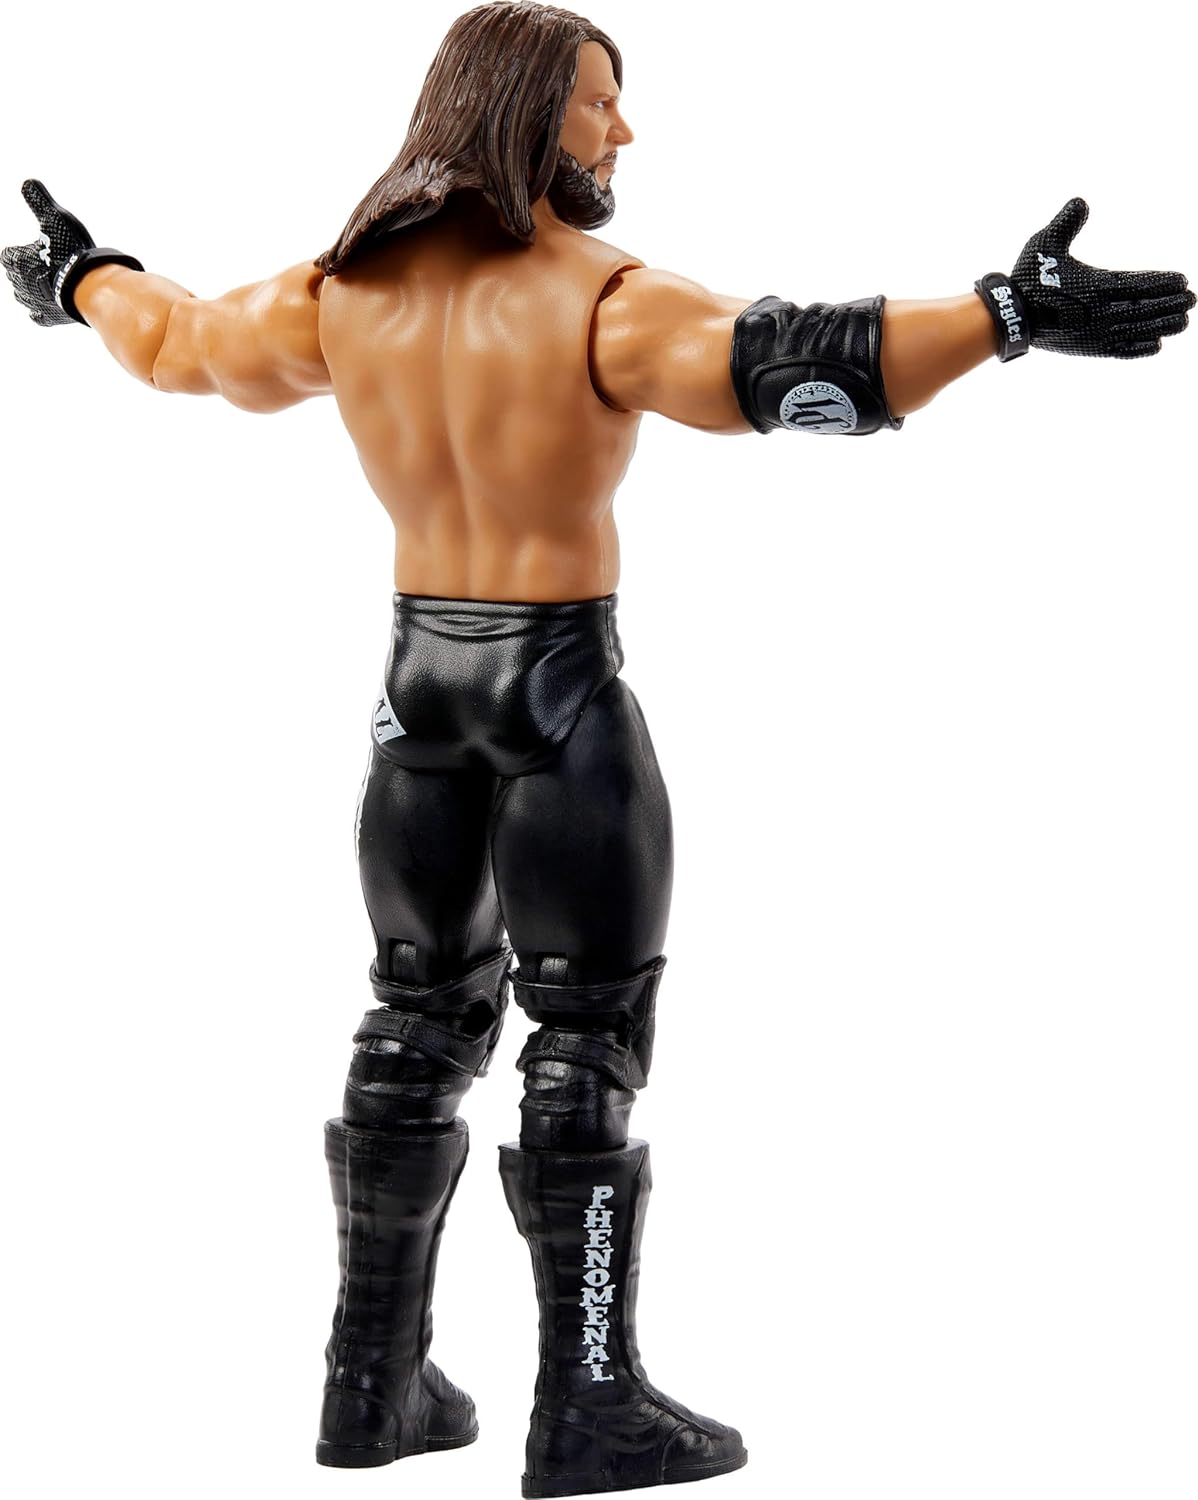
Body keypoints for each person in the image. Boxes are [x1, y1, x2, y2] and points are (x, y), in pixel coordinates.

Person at [3, 2, 1192, 1495]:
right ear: (518, 111)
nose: (621, 131)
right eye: (597, 102)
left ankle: (368, 1391)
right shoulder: (598, 300)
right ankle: (588, 1402)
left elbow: (176, 342)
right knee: (585, 1037)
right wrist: (1003, 314)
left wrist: (80, 276)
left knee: (414, 1020)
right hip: (554, 691)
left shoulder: (338, 294)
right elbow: (787, 365)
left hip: (416, 698)